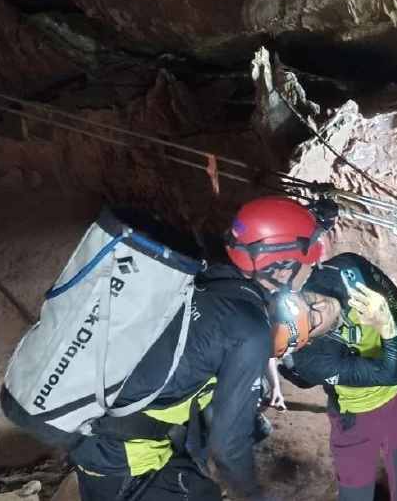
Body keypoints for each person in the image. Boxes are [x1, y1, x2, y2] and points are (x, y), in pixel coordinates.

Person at [71, 196, 335, 501]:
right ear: (281, 268)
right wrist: (254, 495)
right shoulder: (249, 329)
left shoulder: (209, 273)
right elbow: (228, 447)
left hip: (91, 426)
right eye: (307, 261)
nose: (311, 268)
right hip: (126, 463)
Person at [278, 252, 397, 501]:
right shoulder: (312, 361)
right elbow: (393, 372)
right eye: (314, 318)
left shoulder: (339, 273)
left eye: (308, 299)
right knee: (354, 493)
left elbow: (384, 287)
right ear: (309, 339)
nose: (321, 305)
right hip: (357, 415)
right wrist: (387, 327)